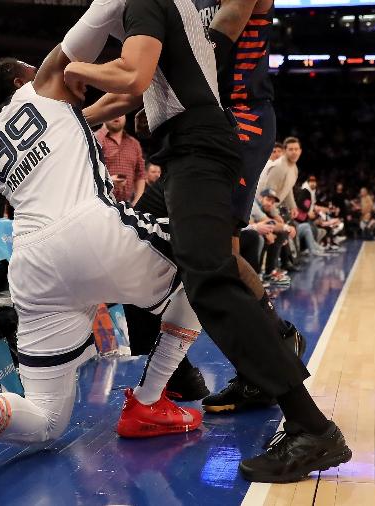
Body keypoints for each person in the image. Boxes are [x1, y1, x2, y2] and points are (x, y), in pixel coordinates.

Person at [0, 53, 209, 493]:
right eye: (31, 68)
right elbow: (124, 93)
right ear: (18, 81)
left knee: (47, 420)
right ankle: (148, 400)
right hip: (90, 236)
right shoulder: (53, 102)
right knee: (204, 272)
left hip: (34, 268)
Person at [62, 0, 350, 483]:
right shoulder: (165, 12)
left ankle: (304, 412)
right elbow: (140, 81)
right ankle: (188, 375)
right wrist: (72, 121)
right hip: (188, 133)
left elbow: (167, 60)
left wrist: (87, 69)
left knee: (213, 272)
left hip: (235, 119)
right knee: (150, 245)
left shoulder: (152, 9)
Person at [95, 115, 146, 205]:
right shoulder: (95, 139)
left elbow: (140, 175)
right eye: (113, 112)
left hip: (128, 206)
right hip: (100, 203)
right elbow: (88, 171)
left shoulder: (134, 144)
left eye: (121, 113)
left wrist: (137, 202)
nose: (117, 116)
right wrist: (109, 182)